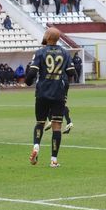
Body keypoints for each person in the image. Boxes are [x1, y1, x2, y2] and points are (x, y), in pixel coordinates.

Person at [25, 28, 76, 168]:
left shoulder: (40, 52)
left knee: (40, 122)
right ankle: (53, 160)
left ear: (47, 37)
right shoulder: (65, 53)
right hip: (58, 93)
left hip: (42, 92)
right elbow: (72, 72)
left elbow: (32, 72)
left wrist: (27, 81)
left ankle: (36, 146)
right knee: (57, 126)